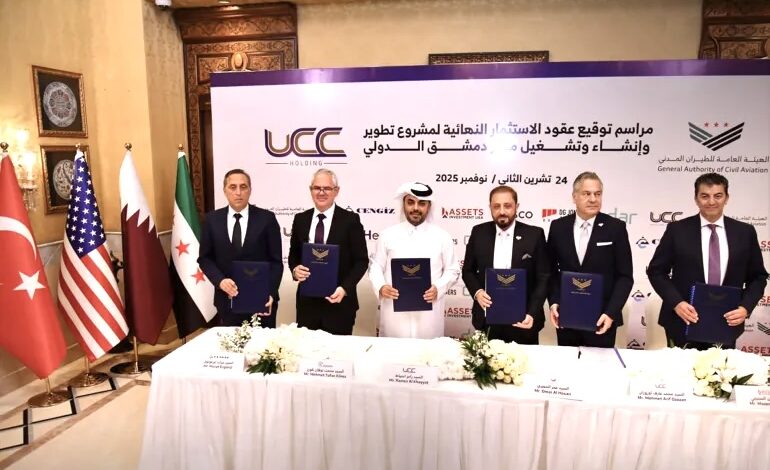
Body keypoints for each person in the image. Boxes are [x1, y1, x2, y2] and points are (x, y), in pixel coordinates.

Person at [647, 173, 767, 349]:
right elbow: (656, 271)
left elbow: (758, 277)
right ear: (696, 198)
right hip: (683, 321)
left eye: (718, 196)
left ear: (727, 198)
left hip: (727, 322)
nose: (711, 202)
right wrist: (677, 303)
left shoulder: (745, 232)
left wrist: (745, 308)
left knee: (720, 368)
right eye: (705, 196)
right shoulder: (677, 230)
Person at [546, 171, 633, 347]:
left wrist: (611, 313)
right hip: (567, 316)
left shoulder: (615, 227)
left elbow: (625, 277)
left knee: (600, 365)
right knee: (568, 363)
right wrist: (554, 302)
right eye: (587, 194)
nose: (593, 199)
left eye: (597, 194)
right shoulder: (558, 227)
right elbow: (550, 271)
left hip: (602, 319)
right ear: (574, 197)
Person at [368, 182, 460, 339]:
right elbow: (376, 266)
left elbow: (453, 270)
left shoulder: (442, 237)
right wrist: (381, 286)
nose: (415, 208)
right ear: (403, 204)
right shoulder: (387, 235)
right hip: (394, 311)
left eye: (421, 203)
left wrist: (438, 288)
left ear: (428, 206)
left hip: (429, 312)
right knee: (394, 349)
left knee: (428, 351)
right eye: (410, 202)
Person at [462, 185, 550, 344]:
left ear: (517, 206)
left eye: (507, 206)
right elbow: (467, 271)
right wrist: (477, 292)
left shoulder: (535, 234)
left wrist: (532, 312)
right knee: (487, 360)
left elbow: (543, 277)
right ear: (490, 207)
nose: (502, 211)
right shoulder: (478, 232)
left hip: (524, 320)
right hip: (487, 318)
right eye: (496, 206)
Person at [288, 169, 369, 335]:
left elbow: (361, 261)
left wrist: (344, 288)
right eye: (317, 188)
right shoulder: (301, 219)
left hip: (339, 303)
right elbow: (293, 255)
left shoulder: (350, 220)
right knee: (307, 350)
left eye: (327, 188)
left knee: (338, 351)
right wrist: (295, 270)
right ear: (311, 190)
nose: (321, 192)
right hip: (307, 305)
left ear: (336, 191)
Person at [198, 169, 283, 327]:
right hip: (227, 300)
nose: (238, 192)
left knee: (263, 343)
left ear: (250, 190)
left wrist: (271, 292)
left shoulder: (267, 219)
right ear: (225, 191)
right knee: (231, 342)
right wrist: (220, 281)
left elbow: (276, 262)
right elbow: (205, 258)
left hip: (262, 301)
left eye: (243, 187)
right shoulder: (212, 220)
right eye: (233, 187)